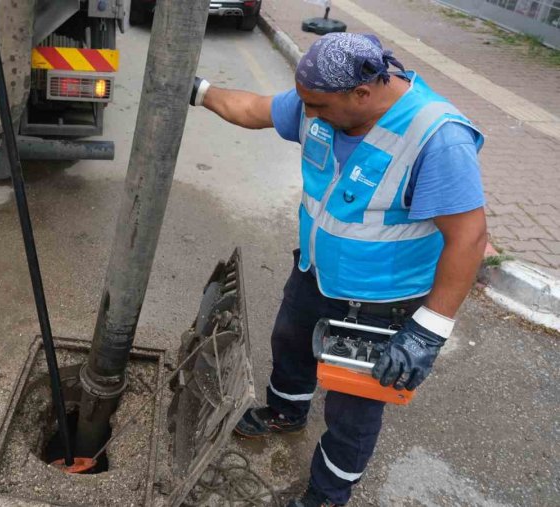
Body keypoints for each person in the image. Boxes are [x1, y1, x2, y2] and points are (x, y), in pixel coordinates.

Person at [190, 33, 487, 506]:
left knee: (353, 412)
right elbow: (252, 109)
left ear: (363, 94)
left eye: (316, 106)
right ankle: (286, 412)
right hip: (315, 273)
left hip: (380, 305)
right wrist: (198, 90)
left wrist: (428, 331)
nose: (305, 114)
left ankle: (328, 495)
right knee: (289, 343)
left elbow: (469, 238)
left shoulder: (437, 137)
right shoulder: (326, 102)